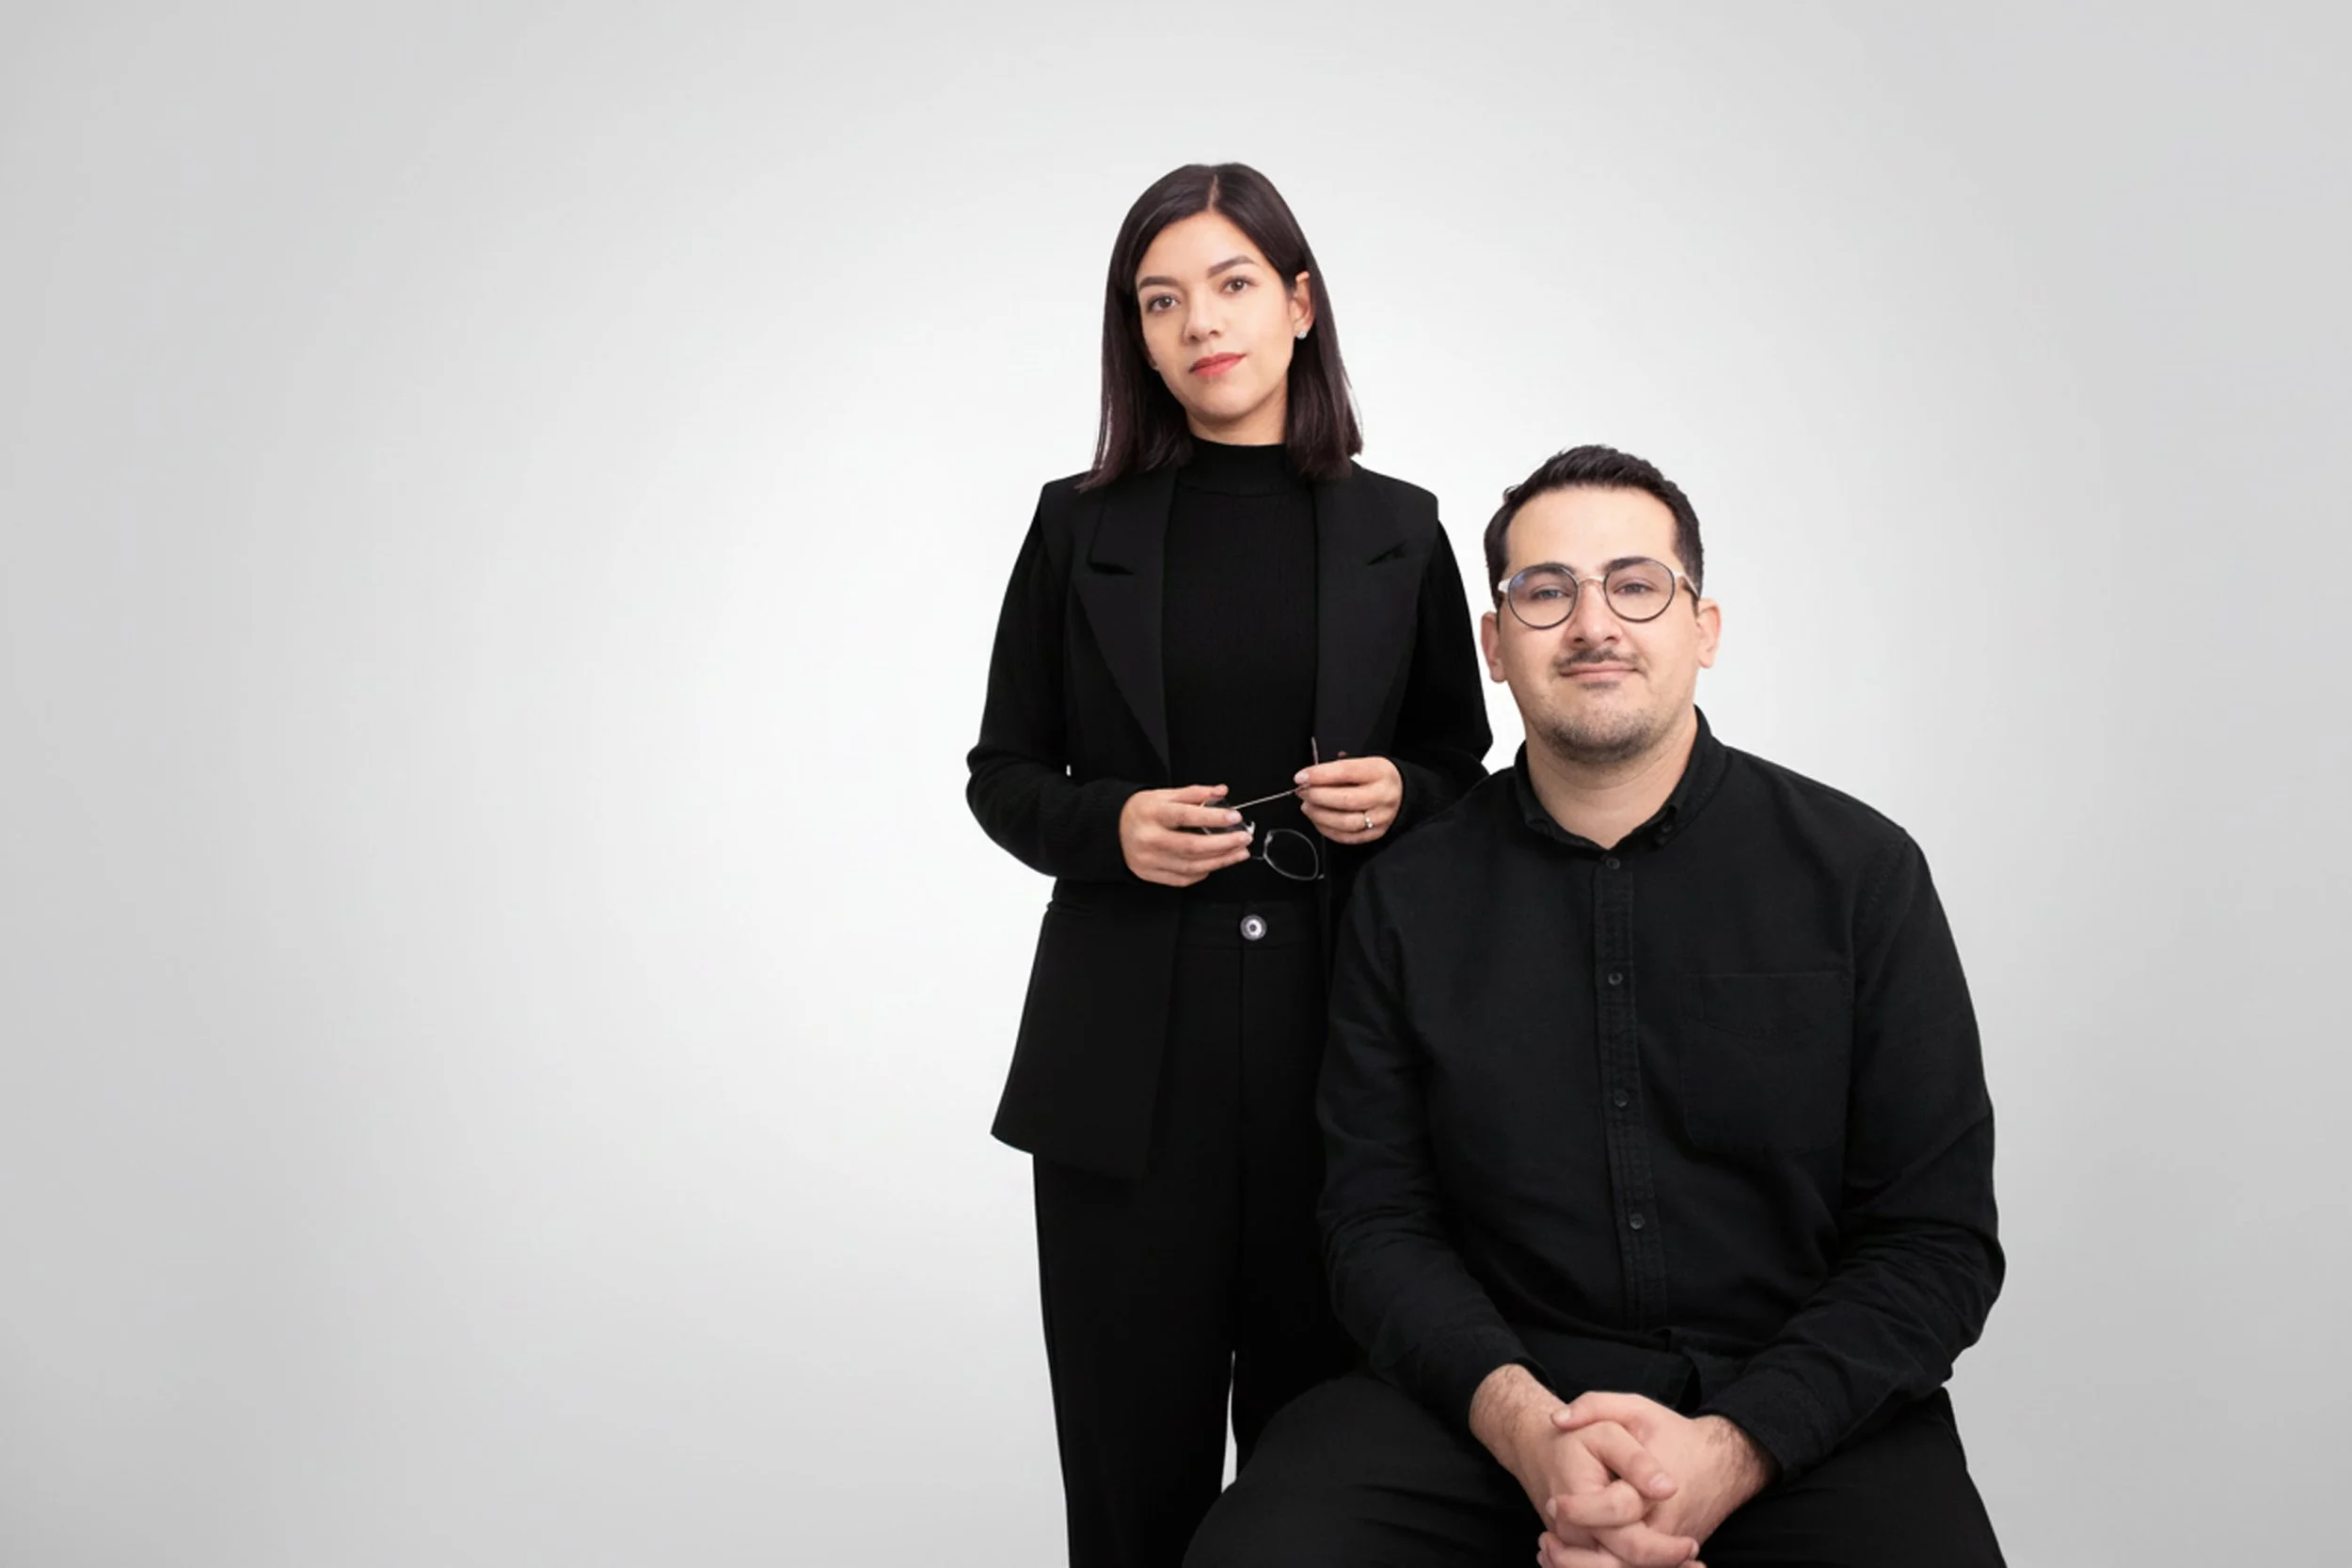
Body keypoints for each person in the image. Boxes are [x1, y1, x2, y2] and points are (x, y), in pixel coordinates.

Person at [1184, 444, 2005, 1567]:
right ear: (1493, 643)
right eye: (1545, 591)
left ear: (1702, 627)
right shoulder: (1407, 894)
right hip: (1485, 1399)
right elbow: (1375, 1223)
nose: (1592, 624)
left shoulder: (1861, 872)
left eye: (1634, 584)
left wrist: (1733, 1448)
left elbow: (1934, 1239)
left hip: (1799, 1403)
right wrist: (1529, 1430)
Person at [965, 163, 1492, 1568]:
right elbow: (1002, 771)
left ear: (1301, 304)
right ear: (1136, 339)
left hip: (1347, 1061)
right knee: (1129, 1488)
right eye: (1161, 300)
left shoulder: (1403, 527)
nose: (1201, 321)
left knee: (1324, 1494)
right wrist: (1112, 829)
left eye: (1233, 283)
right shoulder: (1075, 527)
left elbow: (1462, 762)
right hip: (1124, 1068)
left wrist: (1407, 791)